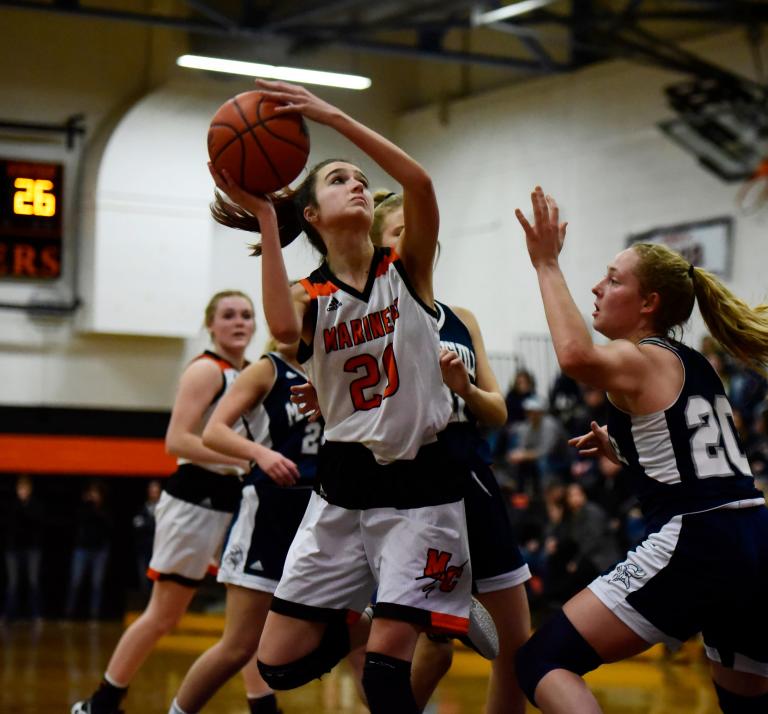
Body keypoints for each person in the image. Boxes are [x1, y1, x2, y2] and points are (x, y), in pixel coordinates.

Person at [512, 186, 768, 714]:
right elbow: (695, 460)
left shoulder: (637, 356)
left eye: (613, 280)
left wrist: (547, 263)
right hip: (759, 537)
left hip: (703, 537)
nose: (596, 287)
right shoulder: (693, 363)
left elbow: (574, 356)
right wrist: (625, 450)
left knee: (542, 662)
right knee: (749, 708)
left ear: (648, 304)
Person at [208, 79, 474, 714]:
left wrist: (332, 117)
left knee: (383, 679)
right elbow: (278, 327)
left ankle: (410, 609)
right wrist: (269, 217)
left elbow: (422, 186)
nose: (357, 184)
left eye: (360, 178)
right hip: (342, 488)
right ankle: (399, 608)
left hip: (422, 488)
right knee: (275, 663)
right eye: (338, 180)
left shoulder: (405, 267)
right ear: (312, 216)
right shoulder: (310, 295)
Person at [363, 189, 532, 713]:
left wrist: (463, 386)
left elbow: (498, 412)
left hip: (469, 476)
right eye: (397, 231)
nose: (412, 238)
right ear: (379, 250)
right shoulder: (369, 318)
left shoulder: (462, 317)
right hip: (407, 483)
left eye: (417, 230)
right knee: (415, 647)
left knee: (514, 641)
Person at [72, 290, 255, 714]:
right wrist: (247, 457)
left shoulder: (247, 372)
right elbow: (177, 440)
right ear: (210, 324)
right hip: (195, 498)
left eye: (246, 314)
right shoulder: (207, 370)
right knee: (163, 615)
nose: (239, 322)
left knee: (249, 619)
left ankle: (261, 703)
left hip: (234, 499)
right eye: (228, 315)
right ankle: (103, 701)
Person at [167, 339, 323, 714]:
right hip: (268, 512)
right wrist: (259, 454)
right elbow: (212, 432)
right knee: (238, 646)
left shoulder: (333, 367)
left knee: (349, 635)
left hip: (320, 516)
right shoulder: (266, 369)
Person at [65, 480, 112, 620]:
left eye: (96, 493)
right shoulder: (83, 508)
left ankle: (94, 616)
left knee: (96, 585)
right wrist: (87, 504)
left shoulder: (105, 509)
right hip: (82, 549)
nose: (94, 496)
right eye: (92, 493)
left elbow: (108, 525)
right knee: (75, 582)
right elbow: (78, 519)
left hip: (99, 551)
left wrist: (96, 509)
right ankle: (69, 615)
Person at [3, 475, 44, 621]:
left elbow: (36, 523)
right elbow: (9, 525)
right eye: (20, 488)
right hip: (13, 549)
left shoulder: (35, 506)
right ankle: (8, 615)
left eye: (25, 489)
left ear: (30, 490)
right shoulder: (12, 506)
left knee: (33, 581)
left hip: (32, 548)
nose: (22, 492)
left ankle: (36, 614)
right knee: (13, 582)